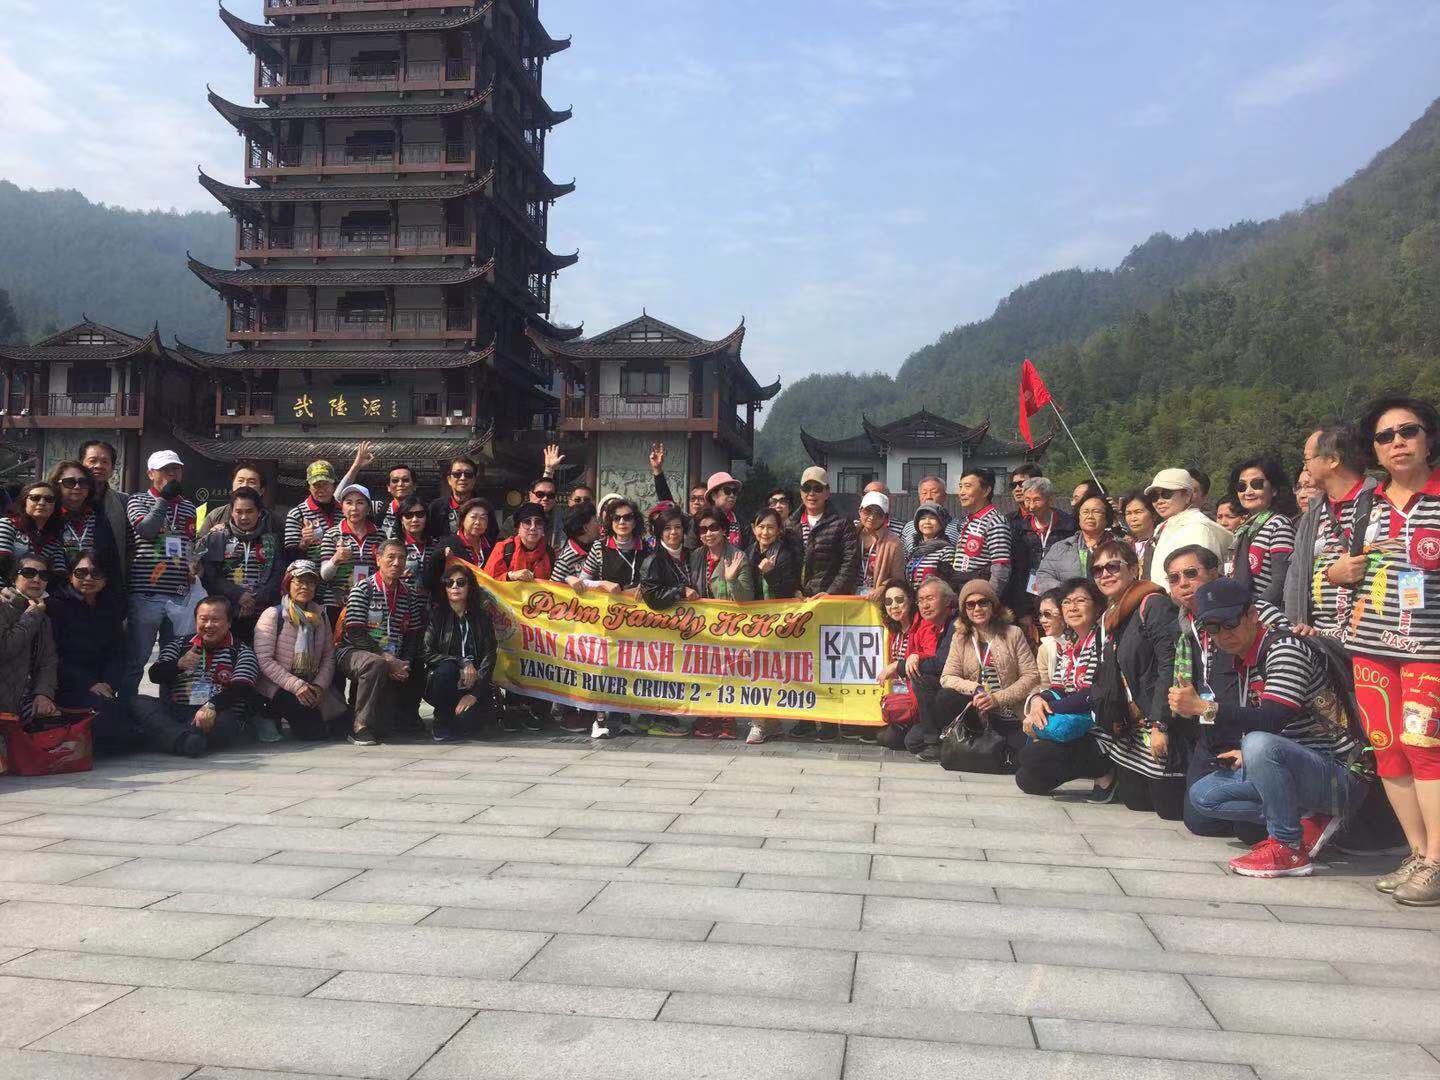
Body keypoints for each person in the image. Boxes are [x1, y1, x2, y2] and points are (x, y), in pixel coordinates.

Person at [1173, 578, 1366, 878]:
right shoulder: (1246, 657)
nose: (1223, 634)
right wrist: (1249, 755)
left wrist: (1204, 708)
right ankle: (1307, 817)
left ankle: (1288, 846)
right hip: (1302, 765)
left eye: (1230, 622)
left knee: (1258, 743)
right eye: (1213, 627)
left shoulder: (1284, 648)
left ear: (1252, 615)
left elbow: (1273, 718)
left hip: (1339, 772)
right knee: (1203, 795)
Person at [1330, 395, 1440, 903]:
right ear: (1373, 449)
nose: (1398, 442)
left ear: (1428, 438)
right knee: (1387, 748)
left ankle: (1437, 861)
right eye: (1385, 436)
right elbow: (1334, 569)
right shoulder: (1365, 505)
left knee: (1425, 748)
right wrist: (1338, 571)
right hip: (1371, 645)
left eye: (1408, 431)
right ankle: (1416, 854)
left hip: (1429, 649)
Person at [1033, 542, 1185, 815]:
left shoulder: (1153, 604)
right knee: (1136, 801)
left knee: (1168, 809)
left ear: (1134, 569)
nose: (1105, 574)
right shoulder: (1111, 618)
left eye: (1113, 566)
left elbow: (1170, 666)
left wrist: (1161, 724)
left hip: (1157, 723)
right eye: (1098, 570)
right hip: (1130, 731)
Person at [1163, 545, 1281, 841]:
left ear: (1216, 573)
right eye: (1174, 578)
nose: (1183, 584)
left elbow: (1280, 698)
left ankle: (1291, 814)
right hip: (1213, 728)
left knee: (1247, 829)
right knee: (1198, 820)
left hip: (1253, 727)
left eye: (1191, 573)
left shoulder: (1254, 612)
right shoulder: (1184, 623)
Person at [1017, 577, 1122, 798]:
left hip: (1099, 728)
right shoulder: (1070, 644)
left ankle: (1105, 770)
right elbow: (1059, 687)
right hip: (1072, 723)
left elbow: (1091, 694)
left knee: (1032, 755)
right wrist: (1038, 700)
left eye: (1080, 601)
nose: (1072, 608)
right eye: (1066, 602)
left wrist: (1047, 710)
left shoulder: (1103, 641)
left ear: (1098, 607)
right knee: (1027, 780)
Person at [133, 595, 258, 758]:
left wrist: (212, 706)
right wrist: (178, 665)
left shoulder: (241, 651)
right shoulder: (179, 645)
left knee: (226, 723)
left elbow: (241, 687)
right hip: (177, 710)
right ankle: (185, 740)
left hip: (217, 712)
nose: (209, 625)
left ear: (229, 622)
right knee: (138, 702)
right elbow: (155, 674)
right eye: (203, 619)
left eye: (215, 620)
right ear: (195, 620)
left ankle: (169, 736)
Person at [937, 579, 1040, 767]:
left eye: (983, 602)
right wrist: (975, 689)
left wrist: (997, 698)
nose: (977, 608)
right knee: (945, 697)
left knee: (1023, 760)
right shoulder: (960, 637)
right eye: (970, 604)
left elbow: (1031, 676)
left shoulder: (1013, 633)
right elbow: (947, 677)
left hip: (1009, 711)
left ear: (993, 606)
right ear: (965, 610)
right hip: (977, 711)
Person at [1285, 424, 1376, 636]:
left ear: (1333, 460)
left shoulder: (1380, 503)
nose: (1304, 468)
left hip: (1369, 641)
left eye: (1307, 459)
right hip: (1319, 639)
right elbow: (1296, 578)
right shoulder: (1312, 514)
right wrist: (1295, 628)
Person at [123, 451, 199, 702]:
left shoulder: (188, 506)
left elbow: (188, 543)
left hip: (179, 595)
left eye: (176, 469)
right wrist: (165, 498)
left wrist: (193, 565)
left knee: (173, 658)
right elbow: (146, 530)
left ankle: (169, 708)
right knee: (137, 657)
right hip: (147, 592)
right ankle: (126, 707)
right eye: (165, 469)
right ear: (150, 474)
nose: (172, 474)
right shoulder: (138, 500)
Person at [338, 540, 425, 746]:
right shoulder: (363, 588)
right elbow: (354, 632)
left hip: (393, 656)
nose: (396, 563)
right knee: (376, 663)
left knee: (419, 665)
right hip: (353, 651)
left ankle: (407, 718)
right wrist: (387, 658)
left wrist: (404, 662)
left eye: (401, 558)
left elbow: (413, 634)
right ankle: (359, 726)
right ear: (378, 559)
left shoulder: (409, 593)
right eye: (391, 557)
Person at [49, 553, 137, 754]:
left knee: (136, 708)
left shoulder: (110, 607)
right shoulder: (56, 606)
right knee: (114, 724)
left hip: (103, 687)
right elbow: (52, 657)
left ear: (105, 579)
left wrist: (108, 682)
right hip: (66, 686)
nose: (88, 578)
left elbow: (117, 652)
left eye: (95, 573)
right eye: (81, 573)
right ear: (70, 576)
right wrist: (89, 683)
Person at [253, 561, 341, 742]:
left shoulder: (321, 615)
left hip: (310, 683)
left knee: (342, 725)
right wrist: (297, 686)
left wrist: (319, 686)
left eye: (310, 583)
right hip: (277, 685)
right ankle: (265, 716)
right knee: (313, 732)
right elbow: (264, 660)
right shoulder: (273, 614)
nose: (305, 587)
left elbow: (328, 657)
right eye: (299, 582)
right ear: (288, 583)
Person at [199, 487, 283, 645]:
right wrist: (239, 595)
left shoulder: (272, 540)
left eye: (249, 511)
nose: (244, 517)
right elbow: (211, 577)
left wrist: (253, 599)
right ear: (231, 512)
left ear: (259, 512)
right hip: (226, 614)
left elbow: (277, 576)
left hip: (262, 614)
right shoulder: (218, 537)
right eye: (239, 512)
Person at [423, 566, 497, 742]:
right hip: (444, 682)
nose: (455, 586)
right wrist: (462, 662)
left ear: (470, 586)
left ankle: (457, 717)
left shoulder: (482, 617)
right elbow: (426, 653)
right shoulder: (436, 616)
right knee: (447, 668)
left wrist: (474, 694)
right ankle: (441, 720)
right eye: (449, 583)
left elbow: (489, 656)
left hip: (473, 685)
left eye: (461, 582)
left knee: (468, 724)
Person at [1143, 467, 1234, 587]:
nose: (1159, 501)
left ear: (1187, 495)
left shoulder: (1198, 528)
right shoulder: (1163, 527)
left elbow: (1201, 580)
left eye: (1166, 494)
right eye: (1154, 496)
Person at [1228, 455, 1298, 606]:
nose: (1248, 492)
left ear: (1274, 489)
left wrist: (1252, 610)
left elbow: (1280, 583)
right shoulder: (1243, 529)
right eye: (1242, 486)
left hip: (1263, 613)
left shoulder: (1279, 525)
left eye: (1257, 484)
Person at [0, 554, 60, 728]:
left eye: (43, 575)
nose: (36, 579)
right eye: (28, 573)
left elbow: (48, 660)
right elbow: (4, 649)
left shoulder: (41, 614)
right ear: (14, 578)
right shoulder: (4, 606)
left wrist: (44, 694)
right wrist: (31, 617)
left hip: (24, 700)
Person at [875, 581, 936, 750]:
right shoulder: (892, 630)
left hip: (920, 701)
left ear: (910, 600)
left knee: (910, 743)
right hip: (900, 699)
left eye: (899, 600)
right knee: (885, 738)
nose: (894, 606)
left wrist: (915, 656)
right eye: (888, 602)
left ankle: (933, 732)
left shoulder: (924, 625)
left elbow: (933, 655)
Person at [904, 576, 960, 761]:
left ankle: (934, 743)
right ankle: (938, 738)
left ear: (947, 600)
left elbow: (943, 664)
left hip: (967, 691)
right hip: (948, 687)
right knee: (912, 742)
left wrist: (904, 665)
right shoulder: (939, 626)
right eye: (920, 600)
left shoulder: (956, 624)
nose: (924, 605)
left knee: (921, 679)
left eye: (930, 598)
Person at [1009, 477, 1075, 622]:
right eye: (1027, 500)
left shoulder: (1069, 526)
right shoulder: (1019, 529)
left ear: (1050, 500)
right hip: (1030, 599)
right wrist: (1022, 611)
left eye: (1036, 500)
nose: (1031, 506)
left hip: (1061, 595)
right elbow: (1017, 573)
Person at [319, 485, 384, 622]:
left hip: (370, 602)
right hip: (336, 604)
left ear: (368, 508)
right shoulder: (332, 534)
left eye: (360, 503)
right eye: (349, 503)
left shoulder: (380, 535)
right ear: (342, 508)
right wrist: (336, 559)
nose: (354, 508)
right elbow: (325, 575)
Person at [49, 461, 122, 580]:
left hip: (94, 584)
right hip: (57, 586)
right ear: (57, 485)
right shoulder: (49, 517)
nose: (77, 487)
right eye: (70, 482)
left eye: (83, 482)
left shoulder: (99, 517)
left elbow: (111, 560)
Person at [1036, 485, 1112, 594]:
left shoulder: (1119, 546)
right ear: (1078, 516)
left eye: (1096, 512)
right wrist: (1070, 592)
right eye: (1085, 512)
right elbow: (1043, 577)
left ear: (1106, 517)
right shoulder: (1061, 547)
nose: (1090, 516)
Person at [426, 497, 500, 600]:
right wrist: (440, 558)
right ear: (462, 519)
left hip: (484, 603)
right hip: (452, 603)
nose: (478, 522)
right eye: (473, 517)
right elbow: (429, 579)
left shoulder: (492, 547)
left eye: (483, 518)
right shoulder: (447, 544)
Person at [952, 468, 1011, 593]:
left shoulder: (995, 521)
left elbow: (1001, 566)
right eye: (960, 487)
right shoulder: (966, 521)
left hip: (979, 591)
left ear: (986, 491)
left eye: (968, 486)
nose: (962, 492)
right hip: (961, 588)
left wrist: (990, 597)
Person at [80, 440, 130, 587]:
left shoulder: (124, 501)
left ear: (112, 468)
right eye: (92, 461)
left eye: (105, 462)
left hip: (111, 579)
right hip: (75, 579)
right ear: (81, 464)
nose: (99, 466)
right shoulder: (69, 499)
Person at [197, 462, 286, 544]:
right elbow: (197, 549)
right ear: (232, 485)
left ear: (262, 490)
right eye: (240, 481)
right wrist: (210, 537)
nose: (244, 485)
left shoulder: (274, 521)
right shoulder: (216, 515)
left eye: (251, 482)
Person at [639, 506, 698, 610]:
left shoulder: (692, 554)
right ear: (660, 533)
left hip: (696, 614)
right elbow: (652, 598)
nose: (673, 532)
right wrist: (681, 591)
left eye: (678, 527)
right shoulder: (653, 561)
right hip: (668, 618)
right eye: (667, 528)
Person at [285, 460, 343, 566]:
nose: (321, 490)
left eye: (325, 484)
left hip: (343, 573)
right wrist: (304, 543)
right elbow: (289, 558)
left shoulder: (345, 511)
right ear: (309, 487)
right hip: (311, 574)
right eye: (316, 485)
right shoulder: (297, 514)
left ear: (334, 485)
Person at [483, 504, 554, 583]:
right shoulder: (503, 548)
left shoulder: (549, 553)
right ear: (518, 528)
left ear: (543, 529)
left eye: (539, 522)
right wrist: (510, 576)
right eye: (527, 522)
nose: (533, 527)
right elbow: (487, 582)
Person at [857, 491, 903, 602]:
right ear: (860, 511)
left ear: (885, 517)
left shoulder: (893, 542)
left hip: (877, 600)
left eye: (878, 514)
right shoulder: (850, 534)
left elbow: (898, 578)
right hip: (848, 597)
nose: (872, 517)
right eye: (868, 511)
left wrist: (883, 587)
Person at [748, 507, 802, 600]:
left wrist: (770, 573)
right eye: (761, 527)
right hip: (753, 607)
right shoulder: (748, 553)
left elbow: (788, 592)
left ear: (778, 530)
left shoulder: (786, 555)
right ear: (754, 529)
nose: (765, 532)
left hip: (777, 608)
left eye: (770, 527)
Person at [425, 456, 480, 542]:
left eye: (468, 474)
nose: (463, 478)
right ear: (449, 480)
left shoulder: (484, 508)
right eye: (457, 474)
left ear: (474, 480)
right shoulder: (436, 508)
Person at [901, 476, 960, 553]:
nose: (928, 497)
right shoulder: (908, 527)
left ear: (944, 496)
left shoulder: (958, 528)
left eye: (934, 492)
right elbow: (903, 554)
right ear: (919, 496)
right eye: (924, 493)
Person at [904, 502, 955, 589]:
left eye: (932, 518)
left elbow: (947, 584)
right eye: (923, 518)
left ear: (941, 523)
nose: (927, 522)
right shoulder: (914, 549)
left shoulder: (946, 551)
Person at [550, 503, 601, 584]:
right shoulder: (565, 560)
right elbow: (553, 588)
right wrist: (568, 579)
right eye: (596, 521)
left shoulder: (600, 548)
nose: (599, 524)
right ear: (585, 528)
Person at [393, 496, 432, 585]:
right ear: (401, 520)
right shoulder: (393, 546)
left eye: (420, 514)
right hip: (402, 593)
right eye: (408, 515)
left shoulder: (436, 545)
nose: (414, 520)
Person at [1120, 489, 1161, 569]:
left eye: (1138, 512)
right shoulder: (1125, 548)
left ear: (1154, 515)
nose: (1133, 518)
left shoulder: (1162, 542)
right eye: (1128, 513)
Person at [1034, 587, 1066, 688]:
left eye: (1047, 614)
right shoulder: (1045, 648)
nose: (1042, 620)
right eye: (1041, 614)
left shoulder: (1083, 641)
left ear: (1063, 613)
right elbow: (1044, 687)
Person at [377, 464, 417, 539]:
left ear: (414, 486)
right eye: (395, 481)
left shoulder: (422, 512)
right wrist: (356, 466)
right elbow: (352, 499)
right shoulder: (378, 508)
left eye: (405, 480)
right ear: (388, 487)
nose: (400, 484)